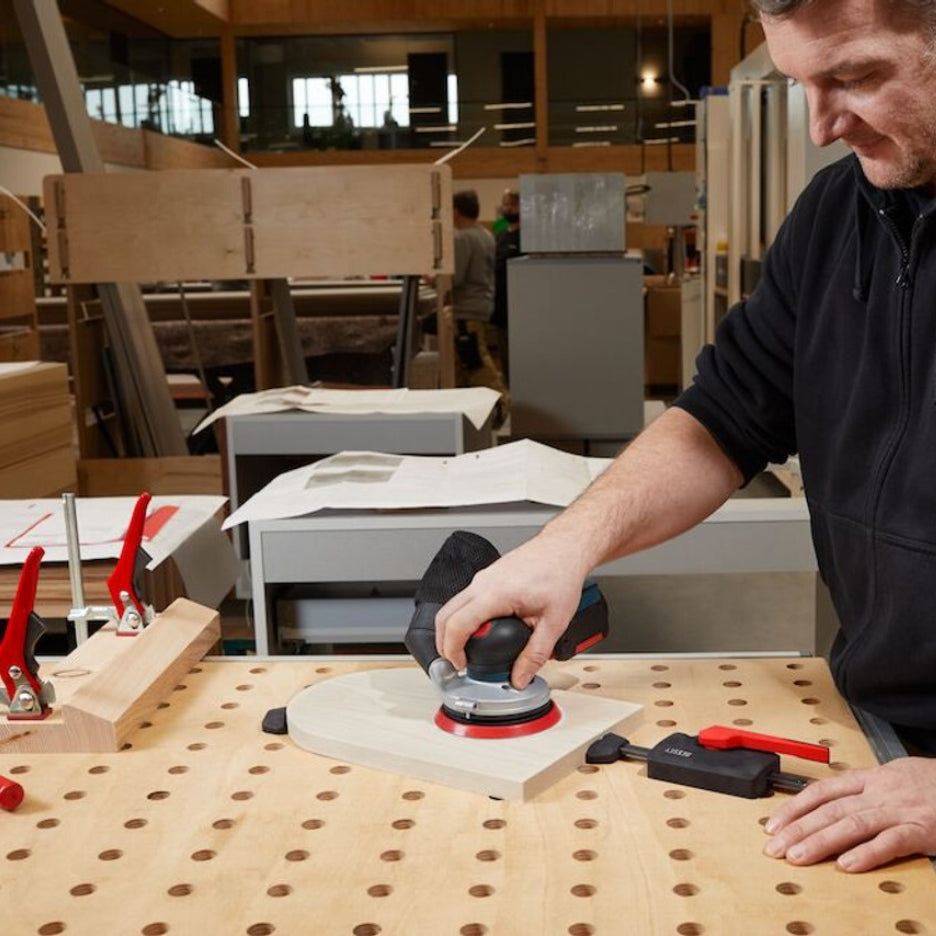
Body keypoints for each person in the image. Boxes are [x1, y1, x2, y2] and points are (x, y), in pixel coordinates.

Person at [435, 0, 936, 873]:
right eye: (801, 87)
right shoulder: (834, 217)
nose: (821, 127)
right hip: (880, 738)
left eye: (855, 78)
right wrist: (566, 546)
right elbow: (723, 418)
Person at [450, 189, 508, 412]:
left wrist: (431, 278)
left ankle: (502, 405)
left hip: (466, 309)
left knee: (475, 360)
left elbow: (456, 277)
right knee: (463, 364)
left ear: (456, 211)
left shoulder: (462, 238)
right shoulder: (485, 234)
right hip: (482, 305)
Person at [492, 188, 522, 383]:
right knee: (504, 352)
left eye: (511, 205)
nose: (507, 209)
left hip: (520, 303)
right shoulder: (501, 235)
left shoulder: (528, 237)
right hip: (501, 305)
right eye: (505, 204)